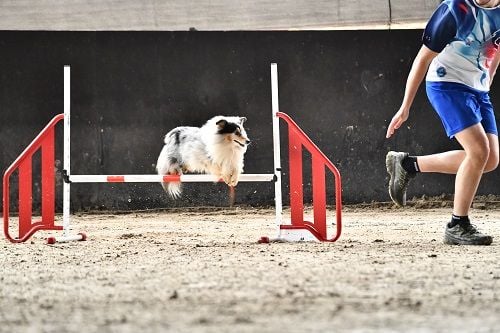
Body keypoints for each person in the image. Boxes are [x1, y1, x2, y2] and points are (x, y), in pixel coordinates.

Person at [386, 0, 500, 245]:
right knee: (479, 151)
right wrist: (405, 107)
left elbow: (497, 46)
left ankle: (407, 165)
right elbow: (422, 58)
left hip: (477, 89)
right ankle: (458, 224)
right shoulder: (454, 9)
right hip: (446, 84)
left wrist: (487, 77)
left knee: (489, 160)